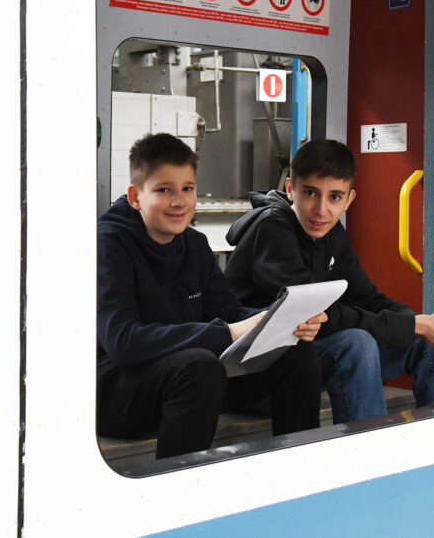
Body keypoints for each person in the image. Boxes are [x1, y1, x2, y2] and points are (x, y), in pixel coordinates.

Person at [97, 133, 326, 459]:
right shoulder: (109, 245)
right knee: (200, 367)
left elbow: (230, 312)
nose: (179, 201)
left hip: (190, 382)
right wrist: (227, 332)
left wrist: (282, 319)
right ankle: (179, 491)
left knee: (296, 354)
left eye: (187, 189)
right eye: (164, 190)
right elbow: (123, 342)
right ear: (136, 196)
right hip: (117, 391)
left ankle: (299, 469)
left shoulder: (193, 245)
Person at [224, 138, 434, 424]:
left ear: (349, 199)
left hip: (307, 358)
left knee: (428, 342)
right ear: (291, 189)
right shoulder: (272, 230)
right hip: (256, 373)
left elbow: (368, 298)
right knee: (356, 344)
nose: (322, 210)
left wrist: (425, 323)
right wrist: (417, 324)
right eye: (310, 193)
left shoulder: (330, 232)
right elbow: (319, 316)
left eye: (334, 197)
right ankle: (367, 458)